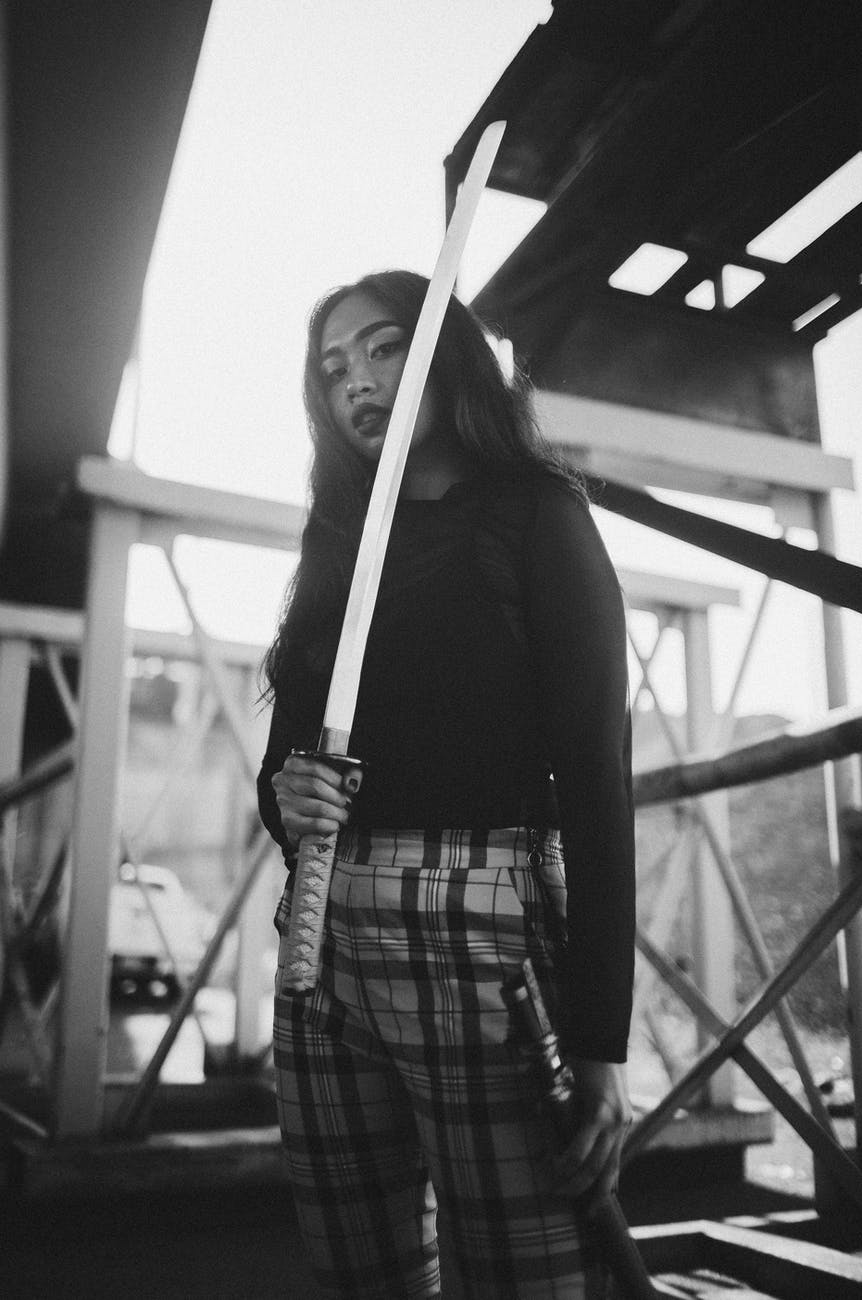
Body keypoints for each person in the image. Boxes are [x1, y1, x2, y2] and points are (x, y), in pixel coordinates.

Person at [257, 269, 635, 1299]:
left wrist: (600, 1039)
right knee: (360, 1271)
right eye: (334, 370)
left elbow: (598, 779)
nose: (357, 384)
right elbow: (285, 764)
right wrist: (286, 800)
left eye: (383, 349)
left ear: (446, 355)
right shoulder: (334, 539)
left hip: (483, 935)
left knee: (524, 1273)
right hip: (320, 945)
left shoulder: (536, 517)